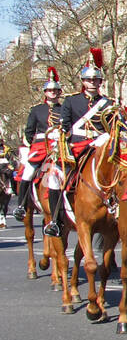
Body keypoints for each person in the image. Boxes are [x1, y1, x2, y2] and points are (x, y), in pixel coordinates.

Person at [17, 68, 64, 236]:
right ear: (45, 92)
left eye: (55, 90)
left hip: (59, 146)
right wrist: (32, 145)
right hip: (41, 146)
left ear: (59, 92)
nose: (53, 93)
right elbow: (29, 131)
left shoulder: (64, 108)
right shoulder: (37, 110)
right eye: (50, 90)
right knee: (28, 172)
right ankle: (21, 205)